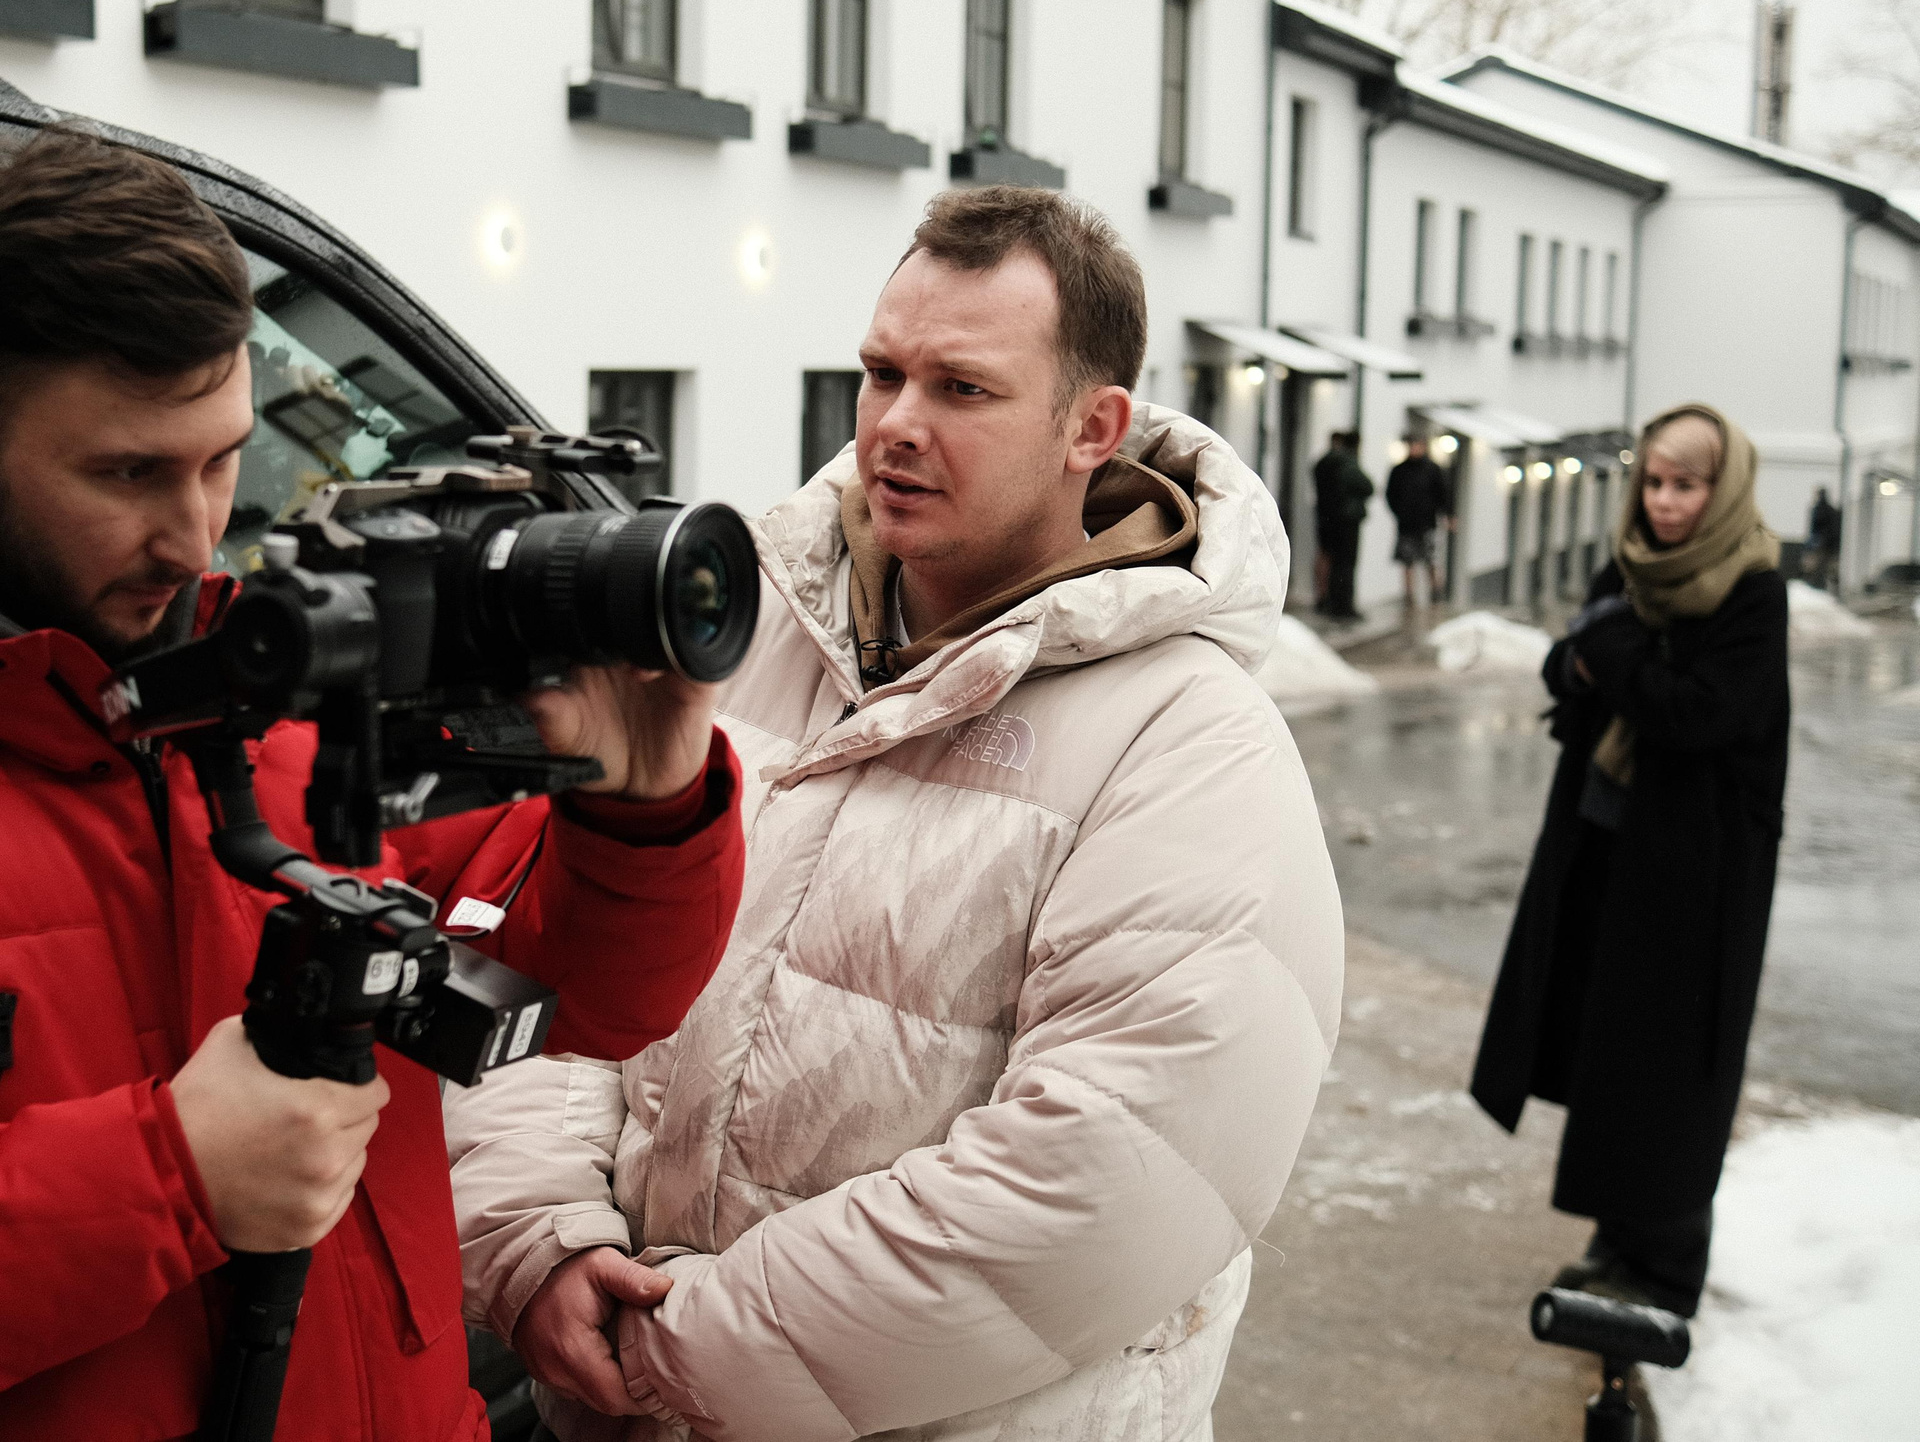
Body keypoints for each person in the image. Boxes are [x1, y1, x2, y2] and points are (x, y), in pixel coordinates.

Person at [0, 128, 747, 1442]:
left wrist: (644, 806)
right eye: (125, 472)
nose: (191, 534)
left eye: (223, 458)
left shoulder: (271, 696)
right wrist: (165, 1173)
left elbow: (592, 996)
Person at [446, 188, 1343, 1441]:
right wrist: (540, 1244)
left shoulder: (1189, 741)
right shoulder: (740, 633)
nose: (895, 427)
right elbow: (559, 952)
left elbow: (1097, 1188)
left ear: (1093, 426)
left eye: (961, 389)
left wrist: (670, 1350)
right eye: (879, 374)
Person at [1469, 404, 1789, 1318]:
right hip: (1610, 848)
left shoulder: (1752, 588)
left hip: (1695, 875)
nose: (1666, 502)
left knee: (1671, 1065)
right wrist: (1593, 663)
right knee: (1610, 1051)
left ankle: (1663, 1266)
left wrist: (1604, 651)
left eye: (1686, 484)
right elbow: (1569, 676)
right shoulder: (1631, 569)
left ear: (1721, 488)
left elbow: (1696, 712)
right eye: (1653, 482)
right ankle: (1619, 1236)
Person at [1386, 435, 1456, 607]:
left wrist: (1448, 514)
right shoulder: (1399, 470)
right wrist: (1400, 513)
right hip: (1407, 524)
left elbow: (1443, 493)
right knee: (1407, 561)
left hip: (1427, 522)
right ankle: (1409, 595)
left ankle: (1435, 592)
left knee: (1431, 559)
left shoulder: (1432, 469)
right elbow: (1391, 494)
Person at [1311, 430, 1373, 618]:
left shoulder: (1322, 463)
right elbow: (1367, 486)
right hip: (1346, 520)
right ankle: (1342, 605)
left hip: (1325, 518)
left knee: (1326, 557)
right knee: (1345, 563)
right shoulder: (1347, 462)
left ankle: (1323, 598)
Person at [1805, 485, 1841, 592]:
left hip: (1820, 543)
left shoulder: (1818, 509)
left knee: (1814, 567)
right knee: (1829, 569)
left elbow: (1814, 528)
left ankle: (1813, 587)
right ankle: (1829, 589)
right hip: (1829, 544)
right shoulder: (1831, 510)